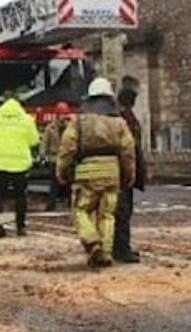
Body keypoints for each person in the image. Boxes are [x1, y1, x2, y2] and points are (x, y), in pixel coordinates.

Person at [56, 77, 136, 268]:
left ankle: (92, 242)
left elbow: (67, 149)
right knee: (107, 214)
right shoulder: (119, 122)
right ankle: (106, 253)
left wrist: (62, 171)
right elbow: (128, 151)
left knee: (81, 209)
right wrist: (130, 174)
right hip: (112, 174)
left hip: (86, 173)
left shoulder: (79, 122)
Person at [0, 93, 38, 236]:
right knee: (20, 197)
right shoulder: (26, 119)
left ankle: (0, 226)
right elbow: (34, 140)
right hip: (20, 166)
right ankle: (21, 227)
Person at [113, 78, 148, 263]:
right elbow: (130, 148)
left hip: (124, 169)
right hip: (124, 171)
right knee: (123, 211)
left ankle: (119, 247)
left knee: (122, 210)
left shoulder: (123, 116)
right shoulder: (125, 118)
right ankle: (121, 249)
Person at [39, 103, 71, 211]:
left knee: (70, 183)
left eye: (65, 114)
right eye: (61, 114)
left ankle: (71, 203)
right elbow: (44, 142)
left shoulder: (71, 128)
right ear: (57, 115)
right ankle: (51, 204)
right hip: (55, 158)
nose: (63, 117)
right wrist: (42, 155)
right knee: (54, 184)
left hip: (68, 159)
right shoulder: (50, 128)